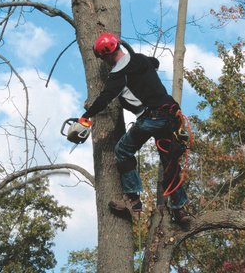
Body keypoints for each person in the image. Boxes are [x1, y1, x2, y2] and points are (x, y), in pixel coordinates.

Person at [81, 32, 190, 223]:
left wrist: (85, 116)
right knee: (170, 163)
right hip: (172, 117)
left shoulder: (118, 74)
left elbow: (105, 98)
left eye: (103, 58)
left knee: (122, 150)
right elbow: (154, 62)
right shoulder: (141, 59)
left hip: (152, 118)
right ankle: (179, 209)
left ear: (106, 55)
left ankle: (133, 199)